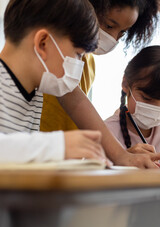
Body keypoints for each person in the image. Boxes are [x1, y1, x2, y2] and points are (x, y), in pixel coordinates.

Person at [40, 0, 160, 168]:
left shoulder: (87, 61)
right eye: (109, 26)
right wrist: (119, 155)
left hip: (60, 164)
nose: (113, 38)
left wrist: (118, 155)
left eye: (122, 33)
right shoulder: (59, 52)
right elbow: (73, 98)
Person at [0, 0, 106, 163]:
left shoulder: (36, 93)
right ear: (43, 42)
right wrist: (59, 146)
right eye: (78, 54)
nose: (79, 65)